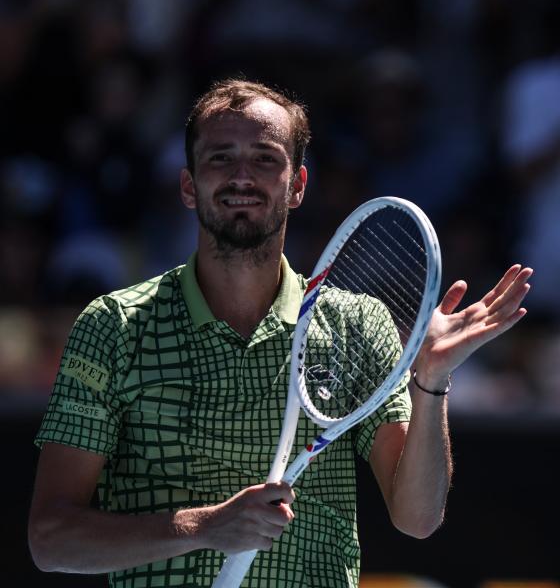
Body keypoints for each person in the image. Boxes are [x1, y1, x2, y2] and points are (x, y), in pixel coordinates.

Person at [28, 79, 532, 588]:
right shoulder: (112, 327)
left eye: (266, 159)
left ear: (297, 186)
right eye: (221, 157)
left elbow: (417, 519)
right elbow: (51, 540)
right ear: (188, 185)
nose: (242, 175)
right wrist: (204, 527)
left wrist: (430, 382)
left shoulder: (358, 326)